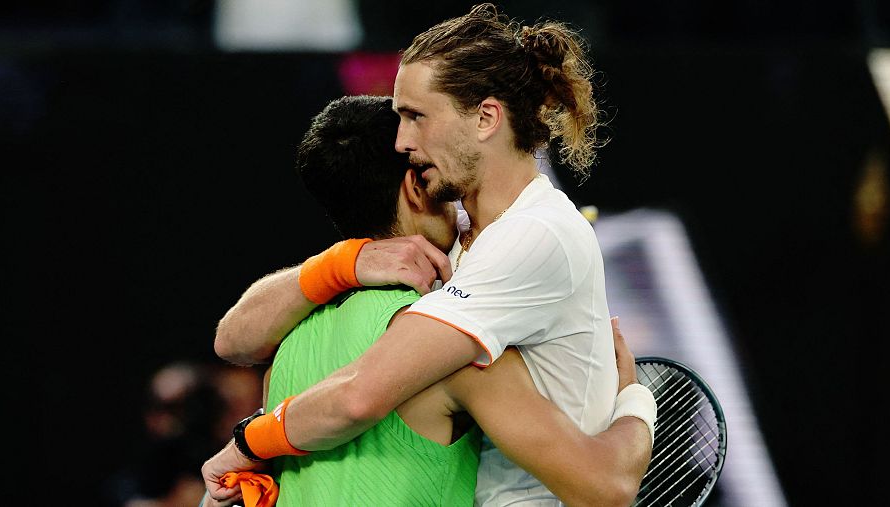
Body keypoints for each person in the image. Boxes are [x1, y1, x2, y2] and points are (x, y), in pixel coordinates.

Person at [205, 4, 655, 505]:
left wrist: (636, 400)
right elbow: (233, 338)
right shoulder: (457, 231)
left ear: (486, 118)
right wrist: (345, 262)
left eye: (415, 117)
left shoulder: (535, 235)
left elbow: (360, 393)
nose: (402, 141)